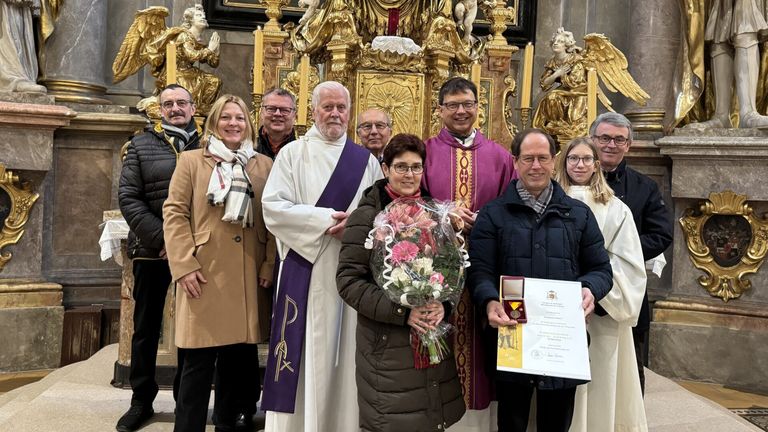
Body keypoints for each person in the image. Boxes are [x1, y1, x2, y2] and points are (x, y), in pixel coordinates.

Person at [467, 129, 612, 432]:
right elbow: (480, 270)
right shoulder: (493, 214)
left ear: (554, 160)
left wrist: (590, 290)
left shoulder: (579, 214)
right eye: (528, 158)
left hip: (562, 339)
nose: (536, 166)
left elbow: (600, 269)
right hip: (511, 334)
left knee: (556, 422)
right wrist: (490, 299)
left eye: (543, 158)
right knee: (512, 421)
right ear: (515, 161)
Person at [260, 81, 383, 432]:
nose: (334, 113)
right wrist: (328, 221)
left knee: (345, 358)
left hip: (351, 272)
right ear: (313, 111)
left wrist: (355, 230)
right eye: (327, 107)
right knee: (302, 352)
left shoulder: (365, 161)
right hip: (305, 271)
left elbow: (379, 215)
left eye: (341, 107)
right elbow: (273, 208)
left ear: (349, 111)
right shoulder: (292, 154)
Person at [337, 134, 466, 431]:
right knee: (393, 420)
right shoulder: (367, 216)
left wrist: (443, 304)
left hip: (431, 333)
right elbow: (348, 281)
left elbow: (453, 268)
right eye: (401, 167)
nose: (409, 175)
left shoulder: (435, 213)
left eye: (416, 167)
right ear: (385, 169)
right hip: (387, 344)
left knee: (430, 418)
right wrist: (404, 313)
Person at [163, 94, 275, 432]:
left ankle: (226, 422)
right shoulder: (192, 161)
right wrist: (183, 265)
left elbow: (271, 220)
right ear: (213, 122)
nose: (233, 124)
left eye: (239, 118)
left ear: (248, 124)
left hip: (247, 272)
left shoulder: (263, 165)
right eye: (225, 117)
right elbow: (174, 213)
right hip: (203, 272)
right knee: (197, 364)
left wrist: (269, 264)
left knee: (234, 364)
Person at [422, 76, 515, 429]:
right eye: (453, 105)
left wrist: (486, 222)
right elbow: (411, 202)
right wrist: (445, 214)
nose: (461, 111)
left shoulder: (501, 156)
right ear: (440, 110)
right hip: (436, 266)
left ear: (479, 107)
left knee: (482, 340)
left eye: (468, 104)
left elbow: (511, 208)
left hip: (487, 265)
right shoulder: (426, 152)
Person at [116, 84, 201, 432]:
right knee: (146, 327)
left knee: (193, 328)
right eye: (169, 104)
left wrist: (186, 244)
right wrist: (167, 238)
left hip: (198, 251)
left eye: (182, 102)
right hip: (153, 250)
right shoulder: (140, 145)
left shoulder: (208, 145)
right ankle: (141, 400)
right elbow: (129, 198)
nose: (175, 108)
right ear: (159, 109)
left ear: (194, 107)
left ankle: (187, 399)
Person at [554, 137, 648, 432]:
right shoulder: (549, 200)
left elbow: (629, 261)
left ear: (597, 166)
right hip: (556, 307)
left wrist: (595, 292)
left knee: (599, 379)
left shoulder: (616, 209)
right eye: (573, 158)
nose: (579, 164)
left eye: (586, 159)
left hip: (601, 308)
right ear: (563, 163)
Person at [591, 112, 673, 394]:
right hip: (580, 282)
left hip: (625, 285)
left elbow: (662, 235)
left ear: (629, 145)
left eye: (618, 139)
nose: (611, 145)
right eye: (604, 138)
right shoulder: (571, 182)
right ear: (593, 141)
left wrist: (619, 251)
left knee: (628, 362)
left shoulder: (645, 187)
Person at [257, 88, 298, 160]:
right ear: (262, 113)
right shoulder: (248, 147)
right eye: (271, 109)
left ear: (294, 116)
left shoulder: (303, 150)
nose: (277, 114)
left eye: (285, 110)